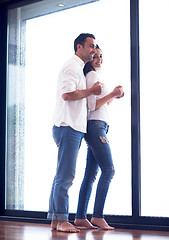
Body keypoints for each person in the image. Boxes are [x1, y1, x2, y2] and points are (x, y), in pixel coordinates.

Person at [47, 34, 102, 233]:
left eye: (94, 46)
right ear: (79, 46)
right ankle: (62, 220)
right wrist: (92, 91)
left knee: (61, 175)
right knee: (66, 175)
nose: (93, 50)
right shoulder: (72, 66)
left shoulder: (78, 67)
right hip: (67, 126)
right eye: (90, 46)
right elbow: (67, 95)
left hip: (72, 127)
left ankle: (55, 220)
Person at [74, 45, 124, 230]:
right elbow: (92, 106)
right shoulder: (92, 76)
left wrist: (113, 96)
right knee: (109, 171)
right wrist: (111, 93)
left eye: (101, 56)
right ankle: (97, 216)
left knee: (90, 174)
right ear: (89, 58)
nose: (99, 59)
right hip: (96, 127)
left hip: (98, 126)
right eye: (95, 56)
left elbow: (100, 106)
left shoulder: (95, 76)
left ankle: (80, 217)